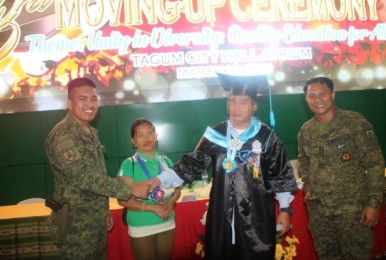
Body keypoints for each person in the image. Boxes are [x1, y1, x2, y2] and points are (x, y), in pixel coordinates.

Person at [144, 73, 298, 259]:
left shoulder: (266, 137)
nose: (236, 107)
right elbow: (190, 165)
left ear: (254, 105)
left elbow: (281, 175)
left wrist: (284, 210)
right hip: (221, 215)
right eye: (232, 101)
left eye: (243, 102)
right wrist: (159, 180)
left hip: (256, 217)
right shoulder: (215, 134)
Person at [44, 77, 151, 259]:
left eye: (94, 98)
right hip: (75, 227)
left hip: (94, 222)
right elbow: (84, 177)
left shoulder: (90, 132)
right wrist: (130, 188)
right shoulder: (63, 135)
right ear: (69, 103)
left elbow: (97, 175)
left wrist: (103, 210)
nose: (90, 104)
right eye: (83, 99)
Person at [297, 76, 385, 260]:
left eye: (323, 94)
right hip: (320, 213)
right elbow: (303, 161)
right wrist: (308, 188)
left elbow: (375, 163)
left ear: (333, 94)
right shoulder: (306, 130)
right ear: (306, 99)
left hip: (352, 211)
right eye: (312, 96)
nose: (317, 100)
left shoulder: (355, 122)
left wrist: (373, 203)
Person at [117, 118, 181, 260]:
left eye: (150, 133)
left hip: (167, 223)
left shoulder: (166, 161)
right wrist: (153, 208)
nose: (146, 138)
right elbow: (122, 200)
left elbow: (178, 188)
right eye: (140, 135)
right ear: (133, 141)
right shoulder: (129, 164)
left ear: (156, 136)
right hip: (141, 227)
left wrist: (172, 201)